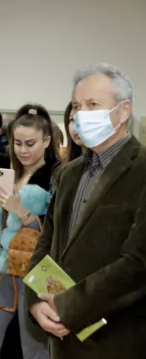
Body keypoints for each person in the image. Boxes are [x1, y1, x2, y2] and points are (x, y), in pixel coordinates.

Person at [28, 63, 146, 359]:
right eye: (77, 106)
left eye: (93, 105)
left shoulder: (141, 170)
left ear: (124, 110)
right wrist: (36, 301)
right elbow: (47, 242)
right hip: (61, 339)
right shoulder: (68, 173)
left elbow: (138, 263)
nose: (81, 114)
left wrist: (68, 306)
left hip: (118, 339)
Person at [0, 103, 61, 359]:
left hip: (36, 272)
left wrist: (21, 212)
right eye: (18, 143)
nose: (23, 150)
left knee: (35, 349)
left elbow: (58, 230)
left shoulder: (58, 175)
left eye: (31, 143)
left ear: (47, 141)